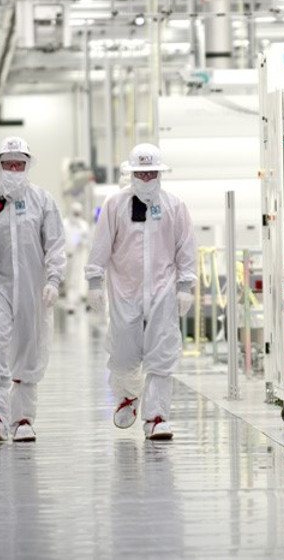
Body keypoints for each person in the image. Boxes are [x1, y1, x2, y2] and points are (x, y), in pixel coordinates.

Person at [85, 143, 196, 440]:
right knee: (123, 354)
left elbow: (186, 248)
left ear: (160, 174)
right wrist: (94, 281)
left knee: (162, 354)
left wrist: (186, 285)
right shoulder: (115, 205)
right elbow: (100, 246)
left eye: (151, 173)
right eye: (141, 173)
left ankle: (156, 417)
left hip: (163, 290)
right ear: (131, 174)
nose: (146, 179)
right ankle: (127, 396)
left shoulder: (174, 206)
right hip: (125, 291)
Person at [0, 136, 66, 443]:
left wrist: (53, 280)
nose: (13, 169)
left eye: (19, 164)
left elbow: (55, 244)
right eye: (8, 164)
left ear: (27, 166)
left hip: (32, 287)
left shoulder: (43, 201)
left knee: (30, 347)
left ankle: (23, 418)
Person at [62, 201, 90, 313]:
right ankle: (70, 303)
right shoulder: (65, 224)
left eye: (78, 213)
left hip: (80, 258)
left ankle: (76, 303)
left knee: (79, 280)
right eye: (75, 213)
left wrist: (81, 239)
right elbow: (63, 242)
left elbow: (86, 241)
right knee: (70, 282)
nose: (76, 215)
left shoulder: (84, 225)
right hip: (68, 257)